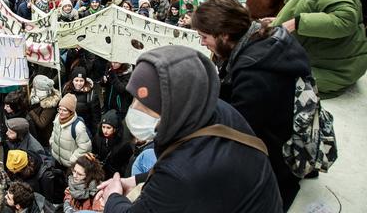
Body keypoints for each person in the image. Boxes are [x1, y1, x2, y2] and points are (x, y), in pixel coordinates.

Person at [98, 46, 283, 212]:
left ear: (172, 105)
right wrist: (136, 180)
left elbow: (178, 176)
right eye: (135, 99)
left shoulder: (181, 172)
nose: (135, 109)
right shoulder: (212, 109)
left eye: (146, 104)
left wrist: (113, 198)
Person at [193, 0, 310, 209]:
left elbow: (237, 129)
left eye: (204, 36)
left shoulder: (255, 73)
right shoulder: (265, 38)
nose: (202, 42)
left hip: (274, 162)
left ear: (225, 35)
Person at [50, 93, 92, 169]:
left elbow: (85, 147)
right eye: (59, 109)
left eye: (64, 110)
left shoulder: (78, 126)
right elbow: (54, 132)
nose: (61, 112)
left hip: (69, 166)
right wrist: (52, 143)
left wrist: (72, 160)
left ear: (71, 112)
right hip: (57, 160)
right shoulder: (57, 118)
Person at [92, 110, 133, 180]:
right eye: (103, 127)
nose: (105, 131)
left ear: (115, 129)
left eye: (108, 128)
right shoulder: (98, 137)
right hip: (100, 173)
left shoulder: (124, 145)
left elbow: (126, 165)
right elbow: (94, 152)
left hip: (115, 176)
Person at [62, 67, 101, 136]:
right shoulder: (66, 89)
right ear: (72, 80)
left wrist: (94, 133)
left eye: (81, 80)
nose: (79, 83)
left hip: (83, 128)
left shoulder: (91, 95)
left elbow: (96, 118)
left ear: (85, 81)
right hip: (67, 126)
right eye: (76, 80)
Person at [27, 75, 61, 148]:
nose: (33, 89)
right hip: (38, 135)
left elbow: (42, 124)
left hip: (45, 139)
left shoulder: (50, 104)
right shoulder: (38, 98)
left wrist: (31, 112)